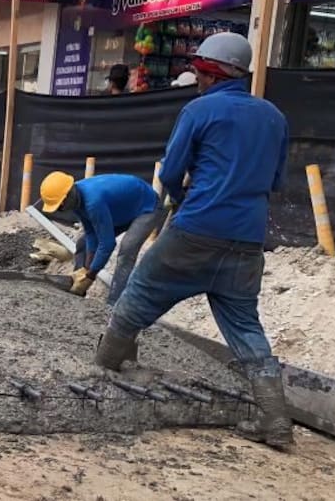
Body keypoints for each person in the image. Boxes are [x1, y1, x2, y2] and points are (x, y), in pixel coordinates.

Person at [94, 32, 292, 449]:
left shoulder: (200, 110)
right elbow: (275, 181)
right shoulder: (274, 116)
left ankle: (108, 363)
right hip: (248, 240)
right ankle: (275, 421)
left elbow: (169, 174)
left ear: (210, 72)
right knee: (243, 323)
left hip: (197, 228)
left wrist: (185, 201)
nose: (196, 77)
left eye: (200, 71)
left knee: (140, 290)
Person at [38, 171, 165, 304]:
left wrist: (91, 275)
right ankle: (76, 287)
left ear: (67, 197)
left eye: (59, 207)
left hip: (147, 207)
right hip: (123, 209)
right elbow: (90, 233)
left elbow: (107, 244)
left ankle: (113, 304)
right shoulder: (75, 200)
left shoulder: (93, 202)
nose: (59, 210)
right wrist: (86, 269)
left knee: (127, 250)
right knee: (83, 243)